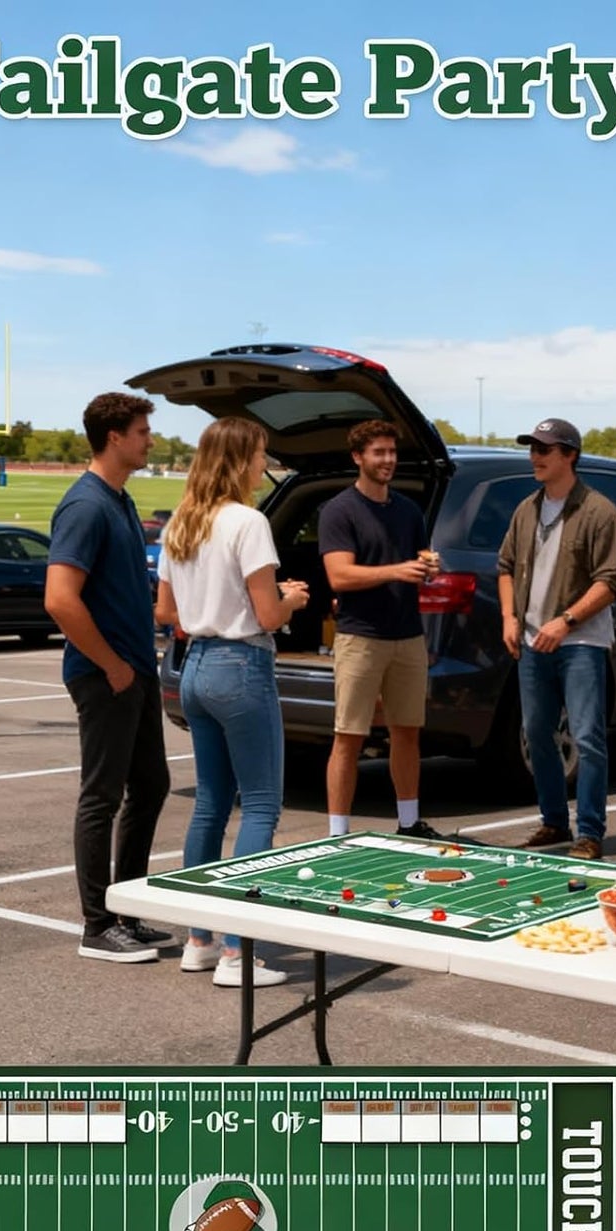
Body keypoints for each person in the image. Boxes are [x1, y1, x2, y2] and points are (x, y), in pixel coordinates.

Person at [154, 416, 308, 989]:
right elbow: (268, 615)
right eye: (260, 456)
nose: (263, 467)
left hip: (194, 667)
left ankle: (199, 938)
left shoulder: (181, 523)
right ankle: (239, 951)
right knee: (262, 805)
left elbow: (165, 614)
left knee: (210, 806)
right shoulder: (249, 521)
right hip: (240, 666)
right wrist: (290, 598)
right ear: (242, 460)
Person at [45, 393, 172, 962]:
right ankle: (98, 926)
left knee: (151, 786)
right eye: (143, 431)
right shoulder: (86, 506)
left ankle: (126, 909)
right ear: (115, 437)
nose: (150, 439)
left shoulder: (120, 500)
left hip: (135, 670)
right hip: (107, 675)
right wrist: (113, 665)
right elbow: (60, 601)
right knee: (102, 796)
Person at [496, 418, 616, 860]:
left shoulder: (599, 511)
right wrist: (509, 618)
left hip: (581, 644)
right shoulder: (527, 509)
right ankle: (554, 822)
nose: (535, 456)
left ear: (570, 455)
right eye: (532, 447)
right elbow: (506, 566)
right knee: (537, 733)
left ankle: (590, 831)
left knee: (588, 737)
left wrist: (566, 621)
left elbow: (612, 580)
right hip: (534, 642)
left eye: (545, 449)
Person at [319, 419, 446, 840]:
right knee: (349, 735)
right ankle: (338, 832)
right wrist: (397, 570)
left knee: (407, 732)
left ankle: (410, 823)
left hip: (408, 635)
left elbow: (419, 564)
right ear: (358, 457)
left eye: (392, 452)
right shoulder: (339, 510)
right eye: (379, 452)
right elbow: (339, 577)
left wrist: (428, 567)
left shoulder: (408, 510)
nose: (388, 460)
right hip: (360, 636)